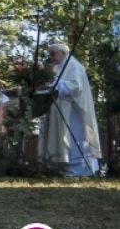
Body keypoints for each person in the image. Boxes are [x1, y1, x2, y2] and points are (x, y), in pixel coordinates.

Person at [38, 44, 102, 177]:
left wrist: (55, 85)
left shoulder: (74, 66)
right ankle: (58, 167)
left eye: (53, 54)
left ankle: (79, 170)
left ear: (62, 52)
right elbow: (53, 83)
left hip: (73, 111)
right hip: (58, 109)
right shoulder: (57, 67)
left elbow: (76, 87)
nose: (51, 57)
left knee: (74, 140)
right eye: (50, 55)